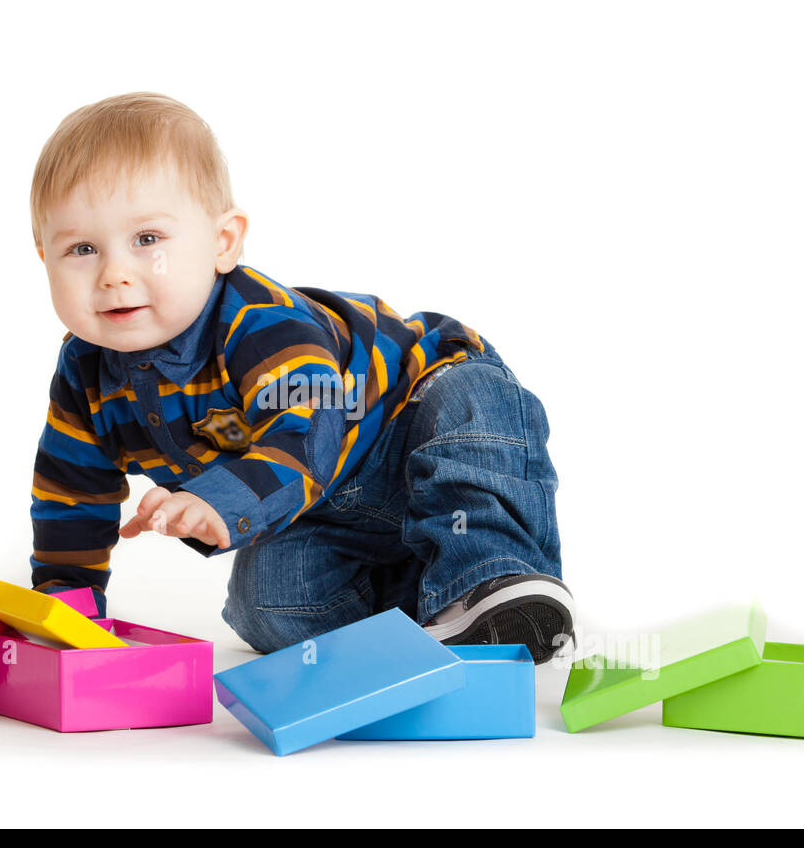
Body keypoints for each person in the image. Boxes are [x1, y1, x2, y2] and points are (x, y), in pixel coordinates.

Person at [28, 92, 574, 662]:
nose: (115, 274)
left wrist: (220, 499)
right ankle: (428, 620)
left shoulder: (263, 325)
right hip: (317, 503)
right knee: (265, 605)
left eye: (147, 240)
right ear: (45, 257)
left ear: (223, 243)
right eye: (83, 249)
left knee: (468, 416)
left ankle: (492, 582)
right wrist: (67, 608)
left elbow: (308, 431)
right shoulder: (84, 372)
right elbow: (70, 496)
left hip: (411, 416)